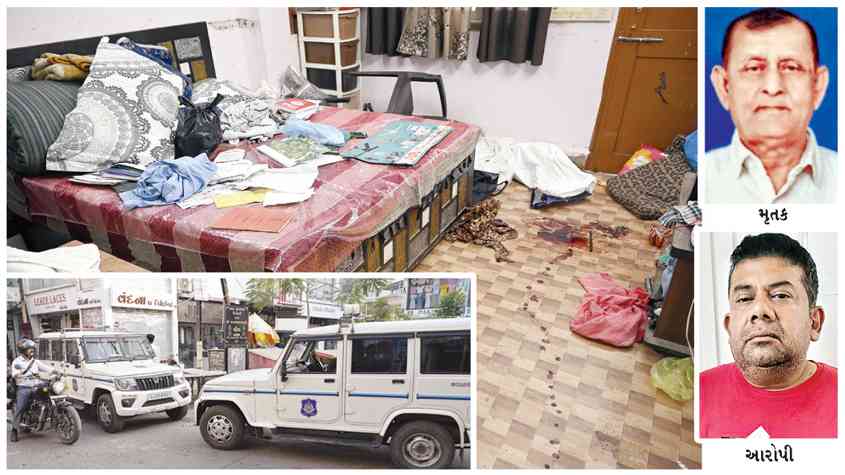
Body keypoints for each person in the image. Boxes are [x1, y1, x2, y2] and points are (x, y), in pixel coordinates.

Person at [700, 233, 837, 438]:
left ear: (814, 322)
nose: (759, 310)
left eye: (780, 295)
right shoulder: (701, 392)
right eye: (745, 298)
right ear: (729, 327)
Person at [705, 8, 835, 204]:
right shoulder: (704, 179)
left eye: (791, 67)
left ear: (817, 85)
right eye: (753, 68)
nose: (773, 87)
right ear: (724, 86)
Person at [10, 339, 58, 442]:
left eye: (32, 349)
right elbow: (14, 373)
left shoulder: (35, 361)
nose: (32, 351)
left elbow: (46, 368)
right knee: (20, 407)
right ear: (23, 351)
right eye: (29, 349)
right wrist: (20, 374)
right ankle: (14, 430)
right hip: (24, 387)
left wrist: (57, 371)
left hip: (37, 385)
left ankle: (49, 416)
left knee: (49, 393)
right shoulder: (17, 362)